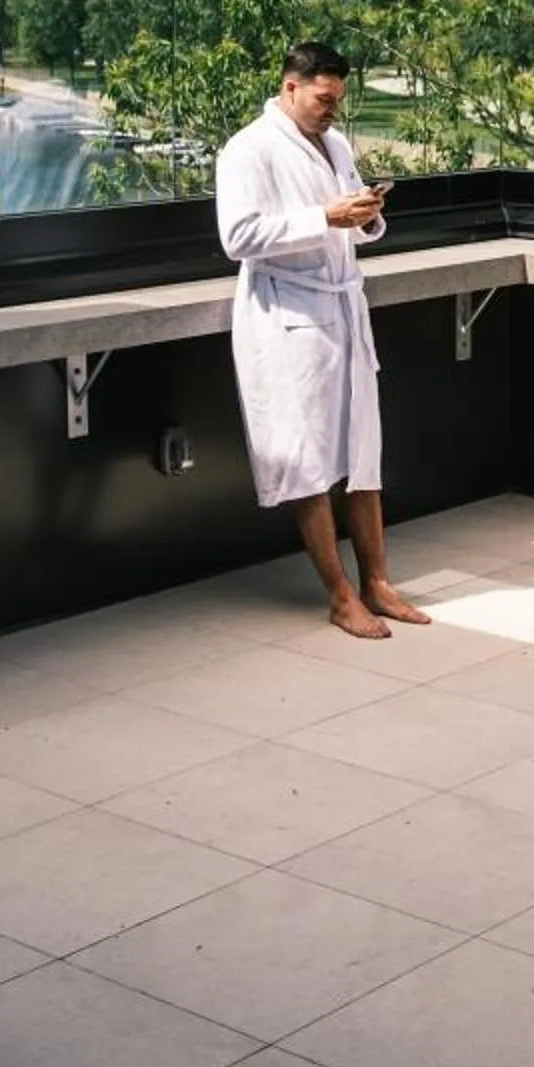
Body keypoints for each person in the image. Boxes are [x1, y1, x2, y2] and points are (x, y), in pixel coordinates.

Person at [214, 40, 430, 639]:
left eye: (338, 100)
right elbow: (237, 236)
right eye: (323, 99)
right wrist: (324, 219)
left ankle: (378, 582)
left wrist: (366, 213)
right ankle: (340, 595)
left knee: (364, 451)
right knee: (306, 460)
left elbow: (350, 219)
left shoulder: (333, 143)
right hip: (288, 317)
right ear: (290, 87)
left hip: (342, 308)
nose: (332, 110)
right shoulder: (247, 150)